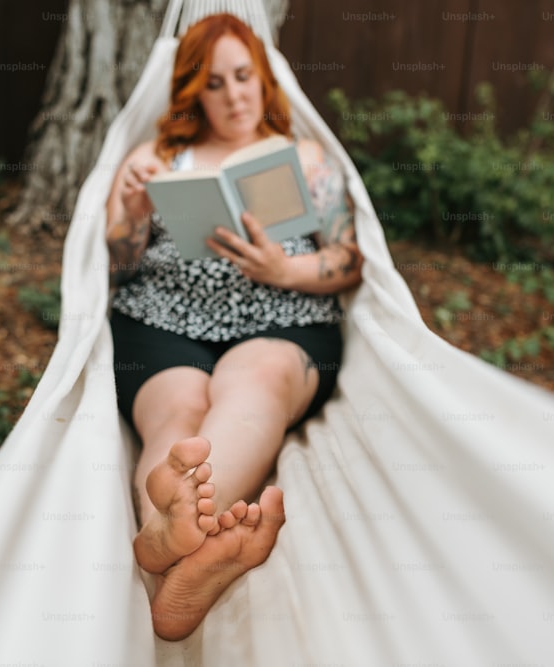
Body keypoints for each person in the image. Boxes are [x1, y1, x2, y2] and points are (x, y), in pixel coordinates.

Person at [104, 12, 362, 641]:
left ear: (263, 77)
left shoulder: (306, 158)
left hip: (284, 319)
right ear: (193, 89)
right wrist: (136, 211)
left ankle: (172, 536)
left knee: (258, 383)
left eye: (243, 76)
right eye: (214, 82)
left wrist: (288, 269)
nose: (234, 94)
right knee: (176, 412)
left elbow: (350, 259)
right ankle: (182, 555)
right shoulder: (155, 158)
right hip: (165, 317)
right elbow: (116, 259)